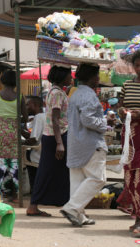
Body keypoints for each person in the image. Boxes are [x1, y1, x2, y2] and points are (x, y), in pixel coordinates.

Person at [60, 63, 107, 227]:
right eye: (98, 76)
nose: (99, 79)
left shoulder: (75, 94)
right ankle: (72, 209)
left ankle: (78, 215)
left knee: (77, 181)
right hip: (90, 143)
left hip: (76, 143)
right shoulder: (89, 95)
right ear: (93, 78)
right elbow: (88, 120)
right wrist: (105, 124)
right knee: (97, 178)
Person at [28, 65, 72, 217]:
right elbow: (55, 118)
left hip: (53, 136)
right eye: (69, 75)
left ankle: (65, 204)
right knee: (47, 171)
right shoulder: (57, 93)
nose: (71, 77)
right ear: (62, 76)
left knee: (56, 172)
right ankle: (33, 206)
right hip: (56, 137)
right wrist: (60, 143)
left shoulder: (54, 91)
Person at [117, 48, 140, 236]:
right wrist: (122, 112)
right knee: (131, 178)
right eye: (137, 65)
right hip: (129, 135)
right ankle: (138, 215)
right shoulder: (127, 84)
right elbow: (120, 105)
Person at [0, 70, 28, 201]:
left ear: (2, 81)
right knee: (13, 163)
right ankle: (15, 193)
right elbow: (25, 117)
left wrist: (2, 120)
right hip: (13, 134)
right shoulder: (20, 97)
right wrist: (14, 120)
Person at [23, 96, 45, 193]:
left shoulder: (38, 117)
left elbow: (33, 140)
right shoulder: (44, 116)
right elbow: (33, 136)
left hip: (38, 153)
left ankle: (33, 189)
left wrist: (22, 142)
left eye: (28, 105)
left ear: (36, 105)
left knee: (21, 158)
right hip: (44, 150)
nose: (26, 107)